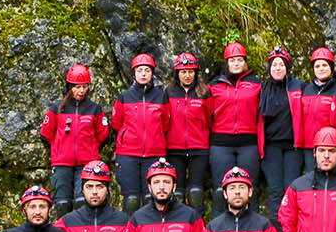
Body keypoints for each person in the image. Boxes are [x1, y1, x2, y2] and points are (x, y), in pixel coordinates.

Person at [40, 64, 109, 217]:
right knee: (62, 203)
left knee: (82, 201)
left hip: (86, 164)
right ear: (69, 87)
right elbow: (46, 133)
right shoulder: (57, 108)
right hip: (62, 163)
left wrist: (90, 148)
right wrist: (58, 148)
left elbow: (103, 134)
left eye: (84, 87)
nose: (81, 91)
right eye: (77, 87)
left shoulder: (94, 109)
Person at [111, 53, 169, 213]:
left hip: (154, 153)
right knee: (131, 200)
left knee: (152, 198)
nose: (143, 73)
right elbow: (116, 123)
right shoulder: (124, 97)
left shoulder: (161, 96)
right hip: (128, 154)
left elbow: (165, 124)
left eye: (147, 70)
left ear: (152, 73)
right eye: (140, 70)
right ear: (134, 73)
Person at [207, 41, 263, 203]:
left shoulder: (256, 84)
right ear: (227, 63)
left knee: (251, 189)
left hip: (248, 143)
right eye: (232, 60)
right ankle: (219, 227)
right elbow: (207, 113)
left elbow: (261, 113)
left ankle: (252, 227)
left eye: (240, 60)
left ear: (245, 62)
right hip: (221, 143)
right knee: (221, 189)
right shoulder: (215, 85)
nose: (236, 63)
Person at [291, 47, 336, 178]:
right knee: (313, 181)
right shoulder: (306, 90)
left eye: (324, 65)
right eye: (317, 66)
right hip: (309, 147)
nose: (321, 69)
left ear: (331, 67)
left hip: (331, 146)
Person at [259, 47, 305, 215]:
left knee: (291, 190)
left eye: (281, 65)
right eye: (274, 65)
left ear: (287, 68)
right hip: (271, 147)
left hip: (293, 146)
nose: (278, 68)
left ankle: (291, 231)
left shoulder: (298, 87)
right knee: (275, 190)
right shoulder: (262, 89)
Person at [166, 52, 214, 212]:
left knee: (196, 192)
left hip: (199, 148)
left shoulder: (204, 92)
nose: (187, 75)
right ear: (177, 73)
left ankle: (198, 226)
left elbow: (209, 118)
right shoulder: (169, 92)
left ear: (196, 73)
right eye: (183, 72)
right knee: (177, 192)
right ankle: (177, 223)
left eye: (190, 71)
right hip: (174, 148)